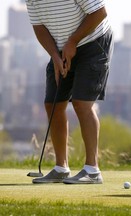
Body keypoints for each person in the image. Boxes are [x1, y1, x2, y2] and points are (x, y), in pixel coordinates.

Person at [25, 0, 114, 184]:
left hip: (93, 43)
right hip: (61, 47)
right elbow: (39, 27)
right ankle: (61, 168)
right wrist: (55, 57)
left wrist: (73, 41)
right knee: (53, 104)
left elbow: (99, 12)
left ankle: (92, 170)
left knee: (82, 104)